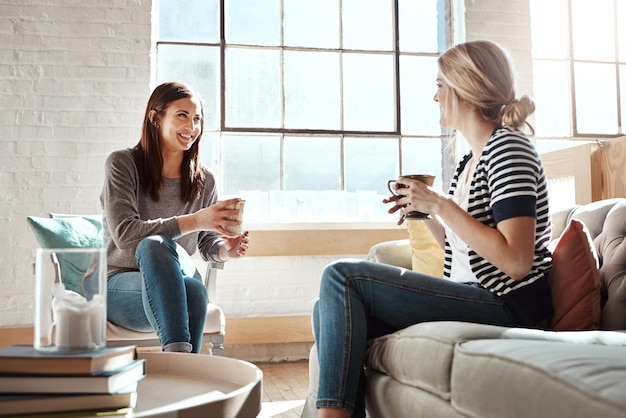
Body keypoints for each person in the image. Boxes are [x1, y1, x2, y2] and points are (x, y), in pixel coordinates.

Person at [308, 40, 553, 418]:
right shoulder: (469, 160)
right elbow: (463, 244)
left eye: (440, 85)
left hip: (509, 304)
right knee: (327, 306)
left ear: (464, 88)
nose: (434, 96)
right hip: (472, 294)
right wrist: (422, 213)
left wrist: (440, 203)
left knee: (341, 277)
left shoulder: (509, 150)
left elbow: (517, 261)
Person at [100, 81, 249, 354]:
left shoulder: (205, 180)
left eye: (197, 119)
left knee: (193, 290)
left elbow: (206, 243)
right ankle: (184, 366)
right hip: (118, 282)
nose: (191, 127)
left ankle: (179, 364)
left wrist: (225, 250)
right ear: (155, 118)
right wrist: (196, 220)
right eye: (182, 115)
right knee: (155, 245)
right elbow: (125, 236)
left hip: (176, 278)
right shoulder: (123, 164)